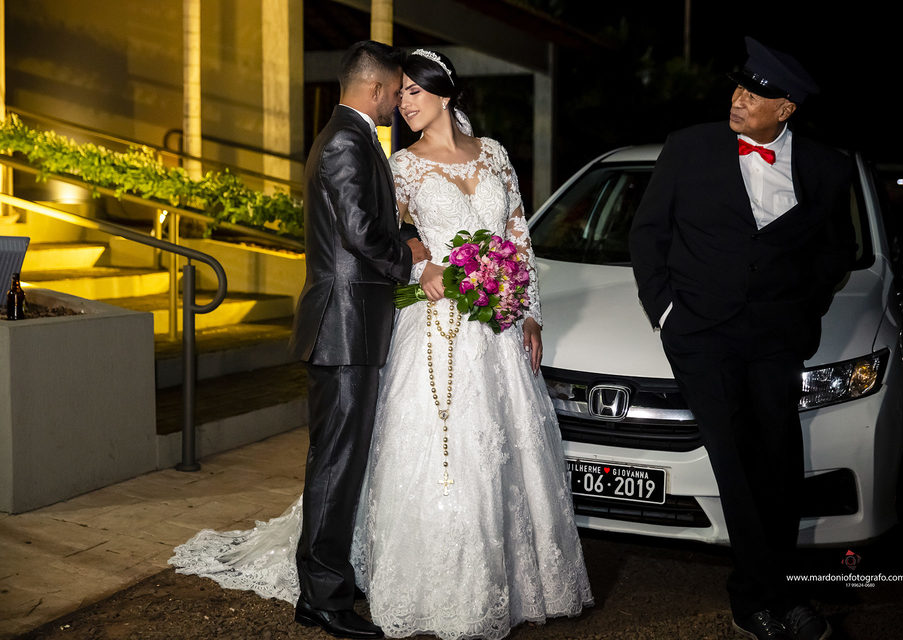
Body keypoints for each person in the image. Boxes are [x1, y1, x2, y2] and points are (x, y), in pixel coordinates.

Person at [170, 47, 593, 640]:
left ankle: (503, 576)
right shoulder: (398, 164)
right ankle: (377, 584)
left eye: (415, 93)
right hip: (429, 323)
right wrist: (425, 265)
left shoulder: (494, 157)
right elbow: (371, 233)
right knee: (408, 453)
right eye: (400, 92)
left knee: (498, 451)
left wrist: (525, 309)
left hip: (493, 328)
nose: (405, 102)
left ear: (444, 94)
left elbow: (516, 238)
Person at [629, 38, 856, 640]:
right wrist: (665, 314)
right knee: (736, 463)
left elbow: (835, 252)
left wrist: (803, 311)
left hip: (776, 338)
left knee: (778, 465)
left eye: (755, 95)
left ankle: (779, 593)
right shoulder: (690, 147)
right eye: (737, 87)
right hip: (701, 333)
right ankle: (756, 599)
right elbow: (647, 235)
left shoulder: (829, 168)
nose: (738, 99)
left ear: (786, 109)